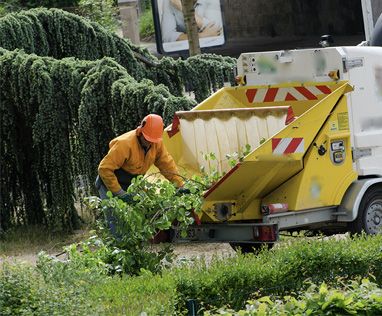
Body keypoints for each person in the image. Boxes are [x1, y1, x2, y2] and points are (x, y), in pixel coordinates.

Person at [95, 114, 184, 202]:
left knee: (142, 209)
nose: (149, 143)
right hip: (108, 183)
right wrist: (120, 193)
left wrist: (180, 185)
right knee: (114, 214)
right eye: (147, 139)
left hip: (131, 183)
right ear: (141, 131)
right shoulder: (124, 144)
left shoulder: (157, 144)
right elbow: (104, 169)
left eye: (152, 141)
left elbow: (167, 165)